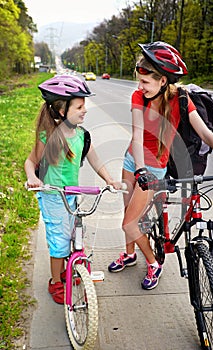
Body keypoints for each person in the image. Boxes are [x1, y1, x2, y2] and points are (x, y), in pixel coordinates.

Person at [108, 41, 213, 290]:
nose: (139, 87)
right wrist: (139, 169)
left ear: (163, 81)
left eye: (145, 82)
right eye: (139, 81)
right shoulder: (139, 97)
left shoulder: (182, 100)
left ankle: (154, 263)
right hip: (134, 160)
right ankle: (130, 254)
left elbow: (206, 135)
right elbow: (136, 136)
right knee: (128, 212)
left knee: (129, 224)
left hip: (155, 167)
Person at [25, 75, 121, 304]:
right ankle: (56, 282)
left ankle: (71, 269)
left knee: (74, 234)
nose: (85, 110)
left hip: (73, 196)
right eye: (79, 106)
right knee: (59, 242)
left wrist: (110, 180)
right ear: (61, 111)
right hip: (52, 196)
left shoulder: (82, 136)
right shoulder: (48, 137)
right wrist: (32, 178)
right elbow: (31, 162)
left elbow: (96, 161)